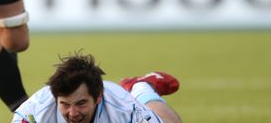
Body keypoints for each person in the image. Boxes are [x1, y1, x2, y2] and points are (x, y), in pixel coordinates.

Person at [12, 53, 183, 123]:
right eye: (65, 104)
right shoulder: (33, 112)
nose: (72, 113)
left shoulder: (125, 110)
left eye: (80, 103)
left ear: (98, 97)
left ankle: (141, 89)